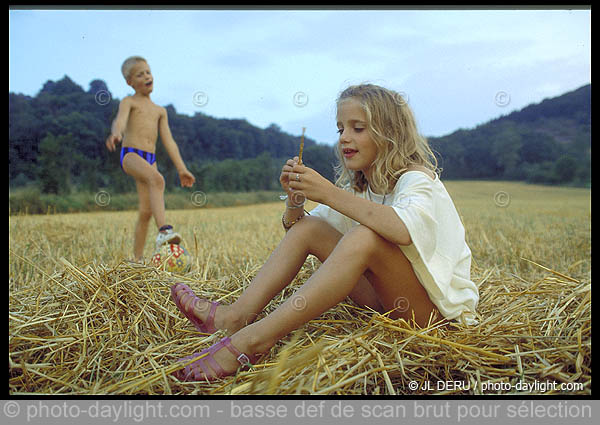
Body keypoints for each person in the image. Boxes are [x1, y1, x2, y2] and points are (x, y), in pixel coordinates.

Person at [170, 83, 478, 382]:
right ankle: (234, 317)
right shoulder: (359, 189)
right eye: (340, 128)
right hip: (385, 303)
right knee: (313, 228)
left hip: (432, 318)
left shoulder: (416, 180)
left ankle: (252, 341)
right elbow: (298, 230)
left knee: (364, 236)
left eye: (358, 128)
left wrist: (329, 193)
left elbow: (402, 228)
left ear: (390, 134)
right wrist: (295, 201)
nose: (345, 137)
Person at [105, 56, 195, 261]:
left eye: (148, 72)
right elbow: (119, 121)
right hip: (131, 155)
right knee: (158, 179)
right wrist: (116, 134)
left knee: (146, 211)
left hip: (150, 158)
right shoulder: (129, 102)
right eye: (140, 74)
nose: (146, 76)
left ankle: (137, 260)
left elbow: (169, 141)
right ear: (130, 82)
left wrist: (182, 168)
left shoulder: (160, 111)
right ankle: (164, 231)